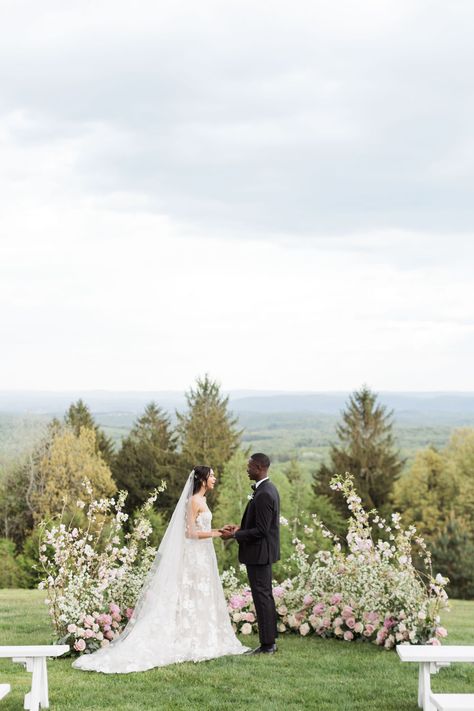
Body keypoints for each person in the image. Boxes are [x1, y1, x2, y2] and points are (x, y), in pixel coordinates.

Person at [73, 466, 248, 673]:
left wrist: (218, 530)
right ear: (202, 480)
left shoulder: (203, 500)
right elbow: (191, 533)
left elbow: (200, 528)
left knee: (202, 595)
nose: (215, 479)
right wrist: (217, 534)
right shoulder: (192, 501)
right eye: (211, 476)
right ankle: (188, 639)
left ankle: (201, 636)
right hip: (194, 556)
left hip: (203, 555)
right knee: (191, 595)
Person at [220, 453, 280, 654]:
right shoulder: (266, 489)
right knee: (265, 596)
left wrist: (235, 536)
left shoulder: (264, 493)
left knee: (262, 597)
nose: (247, 469)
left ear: (259, 467)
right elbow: (258, 524)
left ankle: (267, 645)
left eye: (250, 466)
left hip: (260, 555)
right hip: (261, 554)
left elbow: (262, 530)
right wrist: (239, 528)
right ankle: (270, 641)